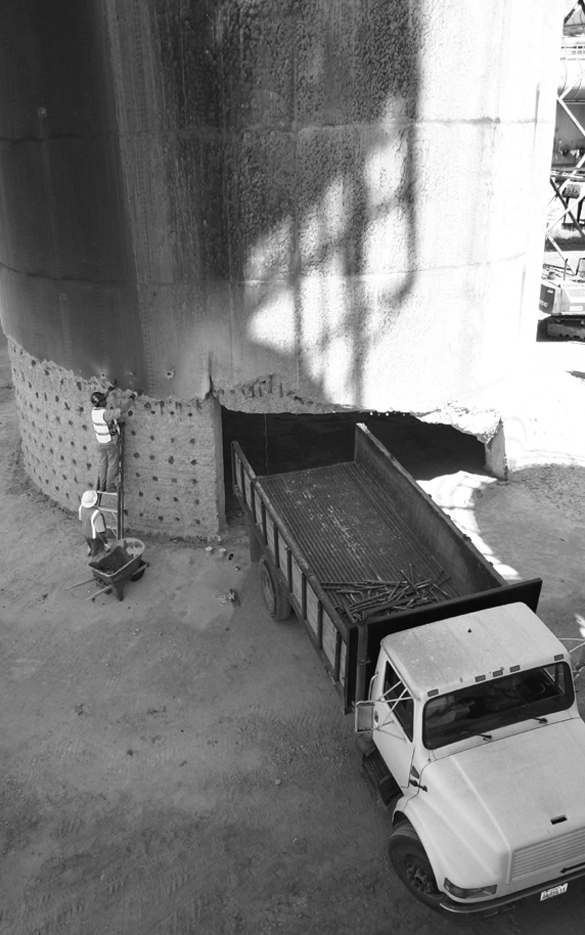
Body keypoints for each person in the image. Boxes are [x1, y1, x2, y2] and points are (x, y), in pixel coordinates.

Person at [90, 385, 134, 492]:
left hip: (100, 443)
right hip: (110, 443)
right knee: (113, 464)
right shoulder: (106, 414)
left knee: (103, 464)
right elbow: (123, 410)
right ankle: (110, 487)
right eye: (104, 400)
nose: (106, 400)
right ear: (101, 403)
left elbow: (102, 399)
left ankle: (102, 486)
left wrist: (109, 390)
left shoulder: (94, 411)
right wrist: (131, 399)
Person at [78, 490, 109, 557]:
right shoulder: (97, 514)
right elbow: (100, 532)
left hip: (86, 534)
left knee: (92, 547)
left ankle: (91, 549)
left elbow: (81, 521)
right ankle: (95, 563)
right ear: (95, 501)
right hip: (95, 538)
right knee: (98, 554)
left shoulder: (81, 508)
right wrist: (105, 543)